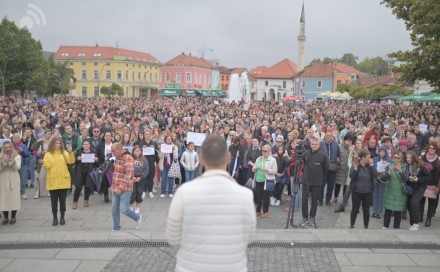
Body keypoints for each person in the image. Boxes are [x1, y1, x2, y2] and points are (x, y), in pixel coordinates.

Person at [166, 135, 256, 272]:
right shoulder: (245, 195)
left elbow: (173, 238)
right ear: (228, 157)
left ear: (201, 158)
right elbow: (249, 237)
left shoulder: (183, 192)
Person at [43, 137, 75, 226]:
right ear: (52, 144)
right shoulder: (48, 154)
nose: (58, 145)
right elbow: (47, 166)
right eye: (56, 143)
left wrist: (71, 152)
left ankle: (62, 217)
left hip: (63, 180)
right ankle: (55, 217)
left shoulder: (64, 153)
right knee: (53, 202)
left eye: (59, 143)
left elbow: (71, 161)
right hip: (53, 181)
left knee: (63, 201)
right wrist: (43, 162)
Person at [111, 143, 142, 231]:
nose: (112, 152)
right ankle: (116, 227)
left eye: (113, 150)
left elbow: (129, 174)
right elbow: (117, 173)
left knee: (124, 209)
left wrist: (120, 188)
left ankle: (138, 217)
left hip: (126, 188)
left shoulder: (127, 158)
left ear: (119, 149)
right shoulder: (117, 157)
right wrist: (113, 185)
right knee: (114, 209)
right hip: (115, 187)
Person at [301, 138, 329, 226]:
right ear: (310, 145)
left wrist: (319, 176)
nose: (314, 146)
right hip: (306, 181)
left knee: (314, 201)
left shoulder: (323, 155)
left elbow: (326, 169)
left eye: (316, 144)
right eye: (312, 144)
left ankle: (312, 217)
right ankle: (304, 217)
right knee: (304, 200)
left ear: (319, 145)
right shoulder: (305, 153)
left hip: (317, 182)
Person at [349, 149, 377, 229]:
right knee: (355, 208)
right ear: (362, 157)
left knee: (366, 210)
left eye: (370, 157)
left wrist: (372, 166)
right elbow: (351, 176)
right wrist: (355, 168)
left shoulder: (370, 166)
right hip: (357, 191)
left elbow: (375, 175)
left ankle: (366, 226)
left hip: (367, 192)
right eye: (368, 157)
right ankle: (352, 225)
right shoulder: (356, 164)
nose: (370, 159)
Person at [404, 150, 430, 230]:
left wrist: (418, 179)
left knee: (414, 203)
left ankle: (416, 223)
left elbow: (428, 177)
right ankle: (412, 223)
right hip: (410, 187)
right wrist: (409, 179)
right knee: (409, 204)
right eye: (407, 158)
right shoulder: (406, 166)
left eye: (410, 158)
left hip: (420, 187)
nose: (408, 159)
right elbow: (406, 177)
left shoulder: (420, 166)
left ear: (414, 158)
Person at [382, 151, 407, 229]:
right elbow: (384, 179)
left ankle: (396, 228)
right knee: (388, 210)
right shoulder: (389, 166)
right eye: (394, 157)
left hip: (400, 192)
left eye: (398, 158)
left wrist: (400, 171)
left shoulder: (405, 167)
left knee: (398, 211)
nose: (396, 159)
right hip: (390, 190)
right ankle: (385, 226)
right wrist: (389, 171)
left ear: (401, 159)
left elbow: (406, 179)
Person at [251, 144, 277, 218]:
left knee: (266, 197)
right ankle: (258, 210)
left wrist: (267, 170)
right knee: (258, 196)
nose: (263, 152)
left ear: (269, 152)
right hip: (258, 179)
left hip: (267, 180)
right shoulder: (259, 158)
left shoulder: (273, 160)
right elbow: (254, 168)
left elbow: (275, 171)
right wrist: (254, 168)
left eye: (265, 151)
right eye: (262, 151)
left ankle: (266, 211)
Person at [72, 139, 98, 209]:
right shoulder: (79, 151)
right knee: (78, 188)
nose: (86, 145)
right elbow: (72, 160)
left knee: (88, 187)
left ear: (90, 145)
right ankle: (75, 202)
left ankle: (86, 200)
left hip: (89, 173)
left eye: (87, 144)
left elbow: (97, 164)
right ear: (82, 145)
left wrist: (96, 160)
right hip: (80, 173)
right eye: (85, 144)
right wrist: (77, 159)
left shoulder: (93, 152)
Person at [0, 142, 22, 225]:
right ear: (3, 149)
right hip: (3, 178)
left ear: (12, 148)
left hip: (14, 178)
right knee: (3, 198)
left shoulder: (17, 156)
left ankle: (13, 216)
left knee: (14, 198)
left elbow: (17, 167)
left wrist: (12, 161)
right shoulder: (0, 157)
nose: (8, 149)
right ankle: (5, 217)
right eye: (6, 148)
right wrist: (3, 162)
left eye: (9, 147)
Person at [420, 142, 439, 227]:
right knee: (421, 201)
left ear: (436, 150)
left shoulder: (438, 159)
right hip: (423, 182)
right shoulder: (423, 157)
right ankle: (420, 216)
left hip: (433, 184)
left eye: (433, 148)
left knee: (432, 203)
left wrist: (438, 186)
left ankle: (428, 218)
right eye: (430, 148)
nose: (431, 150)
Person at [319, 130, 340, 206]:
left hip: (333, 167)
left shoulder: (335, 144)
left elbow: (338, 154)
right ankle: (320, 200)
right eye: (327, 136)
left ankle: (328, 200)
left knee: (331, 185)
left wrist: (337, 159)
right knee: (321, 185)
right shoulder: (321, 144)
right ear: (325, 136)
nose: (328, 137)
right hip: (323, 168)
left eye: (330, 136)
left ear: (332, 136)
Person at [31, 129, 52, 199]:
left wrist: (47, 153)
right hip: (41, 160)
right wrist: (37, 141)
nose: (49, 135)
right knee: (40, 176)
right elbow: (33, 148)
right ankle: (37, 191)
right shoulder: (40, 141)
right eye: (48, 133)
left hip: (49, 161)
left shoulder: (52, 142)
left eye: (50, 134)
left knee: (48, 176)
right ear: (44, 134)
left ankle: (49, 190)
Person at [372, 145, 390, 219]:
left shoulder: (388, 159)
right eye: (380, 152)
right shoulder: (375, 159)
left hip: (382, 180)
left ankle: (379, 212)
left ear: (385, 152)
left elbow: (389, 171)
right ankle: (375, 211)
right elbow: (372, 168)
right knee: (375, 195)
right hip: (376, 179)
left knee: (381, 196)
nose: (381, 153)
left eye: (383, 152)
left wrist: (386, 166)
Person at [129, 145, 149, 214]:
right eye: (136, 151)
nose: (138, 152)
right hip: (132, 178)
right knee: (132, 192)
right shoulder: (130, 158)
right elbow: (128, 168)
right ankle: (131, 205)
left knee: (139, 192)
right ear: (133, 151)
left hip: (141, 178)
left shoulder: (144, 159)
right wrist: (132, 177)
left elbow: (146, 169)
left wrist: (140, 177)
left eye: (139, 151)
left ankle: (137, 206)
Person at [333, 134, 352, 204]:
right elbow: (336, 155)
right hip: (340, 168)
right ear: (344, 140)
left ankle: (345, 199)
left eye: (350, 141)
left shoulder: (351, 148)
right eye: (348, 141)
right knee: (337, 184)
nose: (349, 142)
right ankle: (335, 197)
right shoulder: (339, 146)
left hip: (347, 169)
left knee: (345, 185)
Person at [12, 133, 30, 200]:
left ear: (20, 139)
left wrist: (22, 151)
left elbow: (27, 155)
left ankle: (22, 193)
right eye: (15, 138)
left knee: (23, 179)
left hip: (23, 164)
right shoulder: (11, 146)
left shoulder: (23, 145)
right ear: (13, 139)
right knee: (14, 180)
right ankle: (15, 193)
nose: (16, 139)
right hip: (13, 165)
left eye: (18, 138)